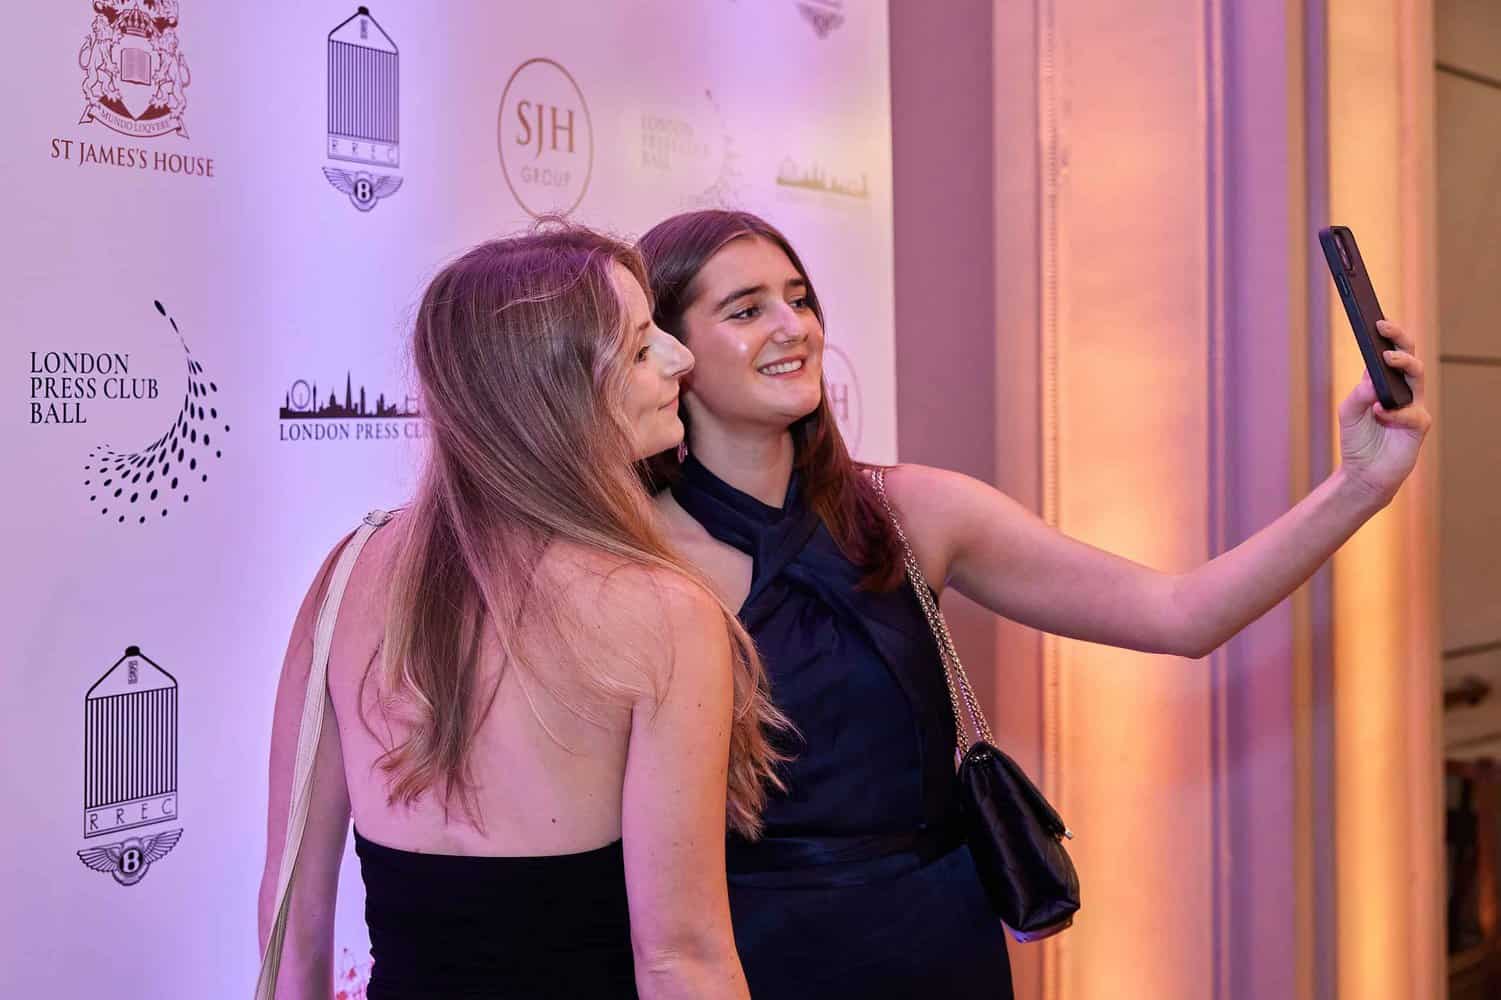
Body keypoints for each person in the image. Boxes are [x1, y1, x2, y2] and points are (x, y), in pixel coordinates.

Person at [638, 208, 1431, 998]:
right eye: (745, 310)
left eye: (799, 299)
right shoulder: (635, 558)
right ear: (670, 349)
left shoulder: (910, 511)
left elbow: (1180, 614)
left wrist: (1359, 484)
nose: (793, 327)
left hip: (938, 943)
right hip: (747, 956)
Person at [257, 224, 787, 1000]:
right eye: (641, 348)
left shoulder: (349, 572)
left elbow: (292, 926)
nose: (679, 359)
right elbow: (681, 959)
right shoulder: (665, 613)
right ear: (556, 394)